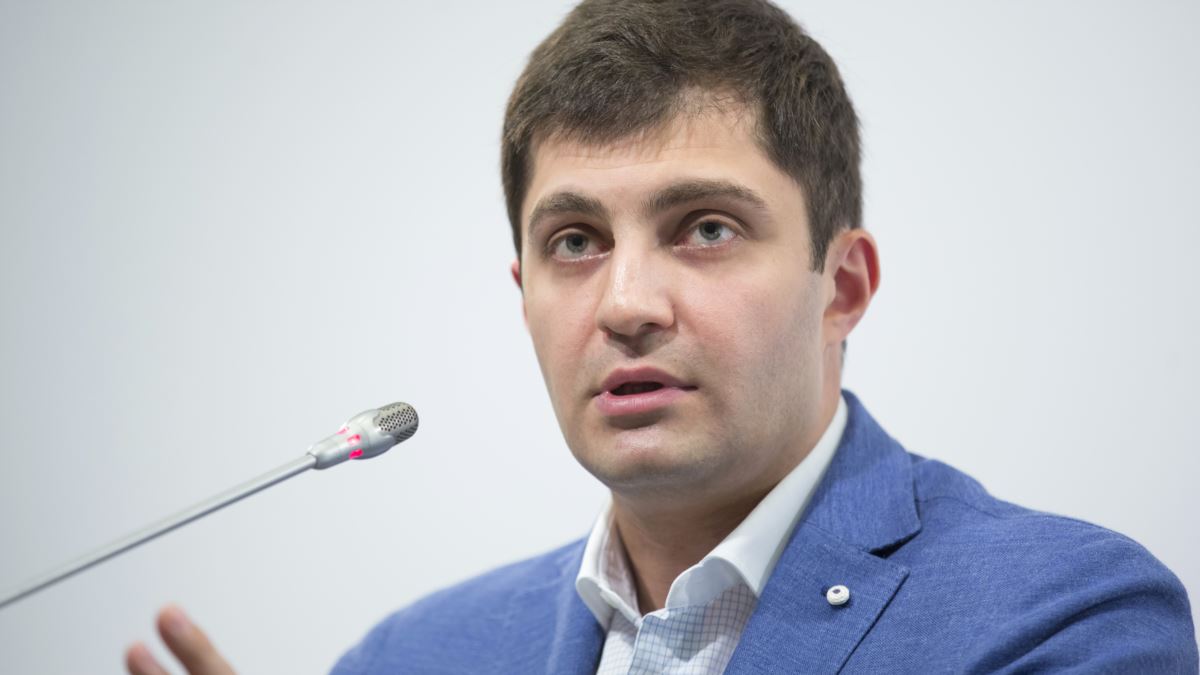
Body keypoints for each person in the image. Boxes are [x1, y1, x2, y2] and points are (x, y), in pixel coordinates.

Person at [125, 0, 1198, 673]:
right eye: (576, 241)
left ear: (843, 286)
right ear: (524, 294)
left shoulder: (1066, 620)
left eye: (705, 228)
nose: (627, 303)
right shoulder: (412, 656)